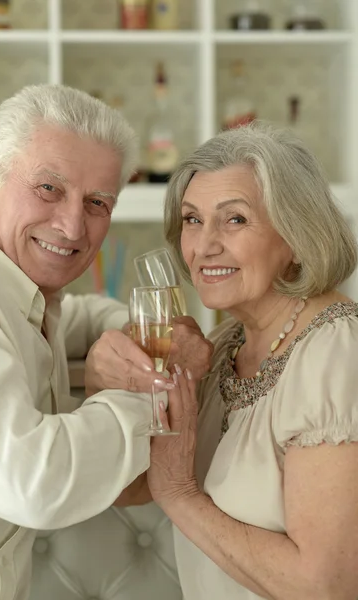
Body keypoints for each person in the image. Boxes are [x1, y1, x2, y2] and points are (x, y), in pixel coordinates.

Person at [0, 83, 212, 600]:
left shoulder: (20, 296)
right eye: (49, 189)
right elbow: (35, 483)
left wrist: (150, 336)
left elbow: (83, 315)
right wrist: (148, 386)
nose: (73, 225)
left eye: (97, 202)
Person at [110, 121, 358, 599]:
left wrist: (181, 495)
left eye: (235, 219)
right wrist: (119, 382)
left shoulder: (336, 352)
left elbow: (326, 586)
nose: (204, 246)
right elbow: (130, 488)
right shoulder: (224, 348)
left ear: (296, 235)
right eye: (192, 219)